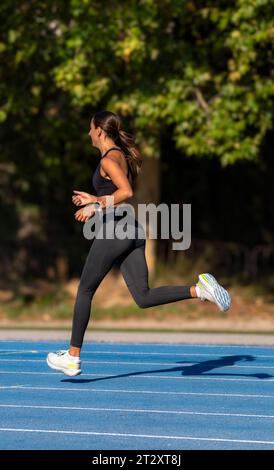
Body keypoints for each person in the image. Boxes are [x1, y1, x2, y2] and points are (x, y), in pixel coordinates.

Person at [46, 110, 231, 376]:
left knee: (84, 290)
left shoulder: (109, 160)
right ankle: (200, 290)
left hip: (115, 230)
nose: (88, 133)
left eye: (90, 128)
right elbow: (115, 193)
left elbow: (126, 192)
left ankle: (72, 357)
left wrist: (96, 206)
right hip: (131, 229)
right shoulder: (118, 156)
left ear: (99, 129)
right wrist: (93, 198)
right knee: (143, 297)